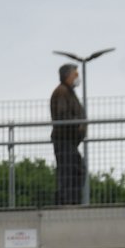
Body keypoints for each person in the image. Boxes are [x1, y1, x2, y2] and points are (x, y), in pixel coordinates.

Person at [51, 63, 88, 206]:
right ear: (67, 76)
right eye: (75, 74)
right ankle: (66, 203)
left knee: (75, 171)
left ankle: (71, 201)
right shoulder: (62, 92)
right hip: (64, 140)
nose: (77, 78)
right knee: (69, 172)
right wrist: (78, 126)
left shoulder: (68, 92)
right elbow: (62, 116)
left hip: (69, 141)